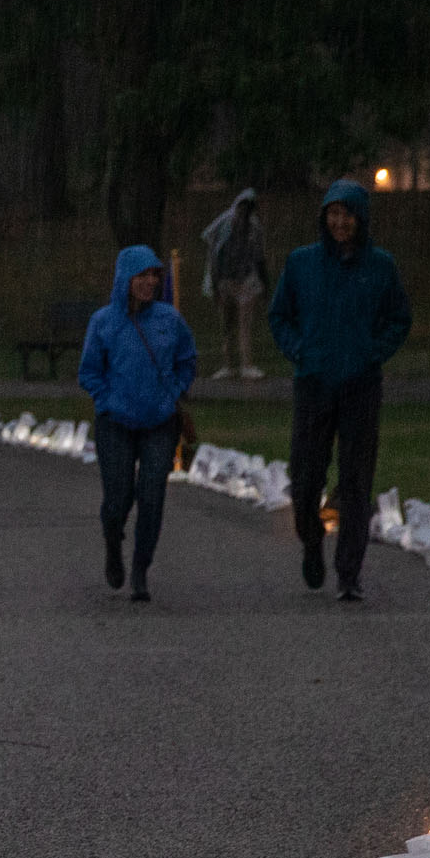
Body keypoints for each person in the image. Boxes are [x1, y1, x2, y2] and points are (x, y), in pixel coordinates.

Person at [268, 177, 414, 600]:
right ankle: (311, 539)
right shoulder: (302, 264)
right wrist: (300, 351)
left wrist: (374, 352)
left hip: (360, 386)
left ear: (360, 218)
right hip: (313, 383)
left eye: (347, 214)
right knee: (306, 475)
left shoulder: (380, 267)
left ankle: (349, 572)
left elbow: (399, 319)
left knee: (355, 481)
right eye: (333, 214)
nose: (340, 222)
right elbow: (280, 316)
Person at [78, 242, 199, 601]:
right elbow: (89, 371)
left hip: (159, 422)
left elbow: (187, 360)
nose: (148, 282)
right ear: (125, 279)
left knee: (152, 495)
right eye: (141, 276)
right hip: (115, 421)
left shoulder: (169, 320)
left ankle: (141, 567)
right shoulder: (104, 322)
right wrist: (106, 400)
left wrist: (174, 391)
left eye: (153, 275)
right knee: (118, 497)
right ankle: (113, 541)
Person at [200, 186, 268, 378]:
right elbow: (214, 257)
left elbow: (259, 257)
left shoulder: (254, 228)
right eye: (241, 208)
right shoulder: (224, 225)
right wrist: (215, 286)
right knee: (227, 325)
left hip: (246, 280)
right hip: (225, 281)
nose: (243, 213)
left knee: (244, 325)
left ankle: (247, 365)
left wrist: (264, 286)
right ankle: (228, 366)